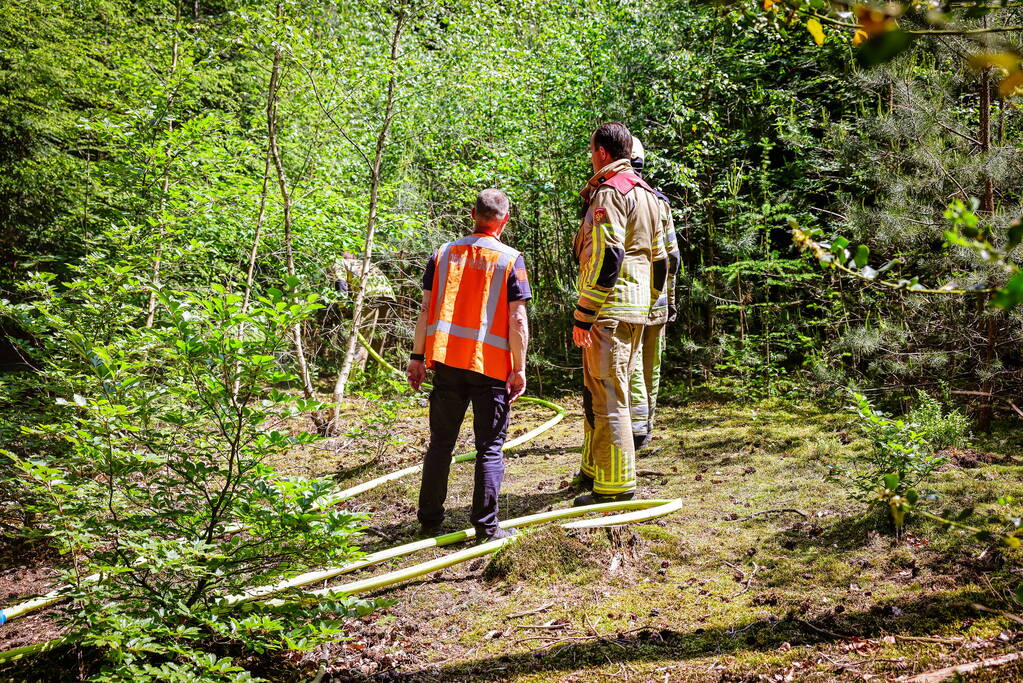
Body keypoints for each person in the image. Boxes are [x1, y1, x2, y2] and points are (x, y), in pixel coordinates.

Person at [406, 189, 530, 542]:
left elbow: (426, 309)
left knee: (441, 444)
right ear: (505, 220)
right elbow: (517, 319)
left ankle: (429, 520)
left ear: (473, 214)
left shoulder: (443, 254)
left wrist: (417, 358)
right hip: (491, 369)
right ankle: (487, 528)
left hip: (447, 363)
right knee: (489, 447)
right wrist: (518, 368)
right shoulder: (511, 259)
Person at [571, 123, 668, 506]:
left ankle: (614, 488)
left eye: (592, 150)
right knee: (610, 390)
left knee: (609, 395)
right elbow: (662, 260)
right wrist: (649, 302)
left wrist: (585, 312)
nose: (591, 157)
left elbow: (607, 255)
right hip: (637, 309)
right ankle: (595, 471)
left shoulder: (610, 192)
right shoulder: (650, 196)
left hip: (608, 310)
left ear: (603, 153)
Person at [627, 137, 680, 453]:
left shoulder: (615, 198)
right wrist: (671, 300)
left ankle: (635, 430)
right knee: (650, 366)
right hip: (656, 298)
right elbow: (673, 257)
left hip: (630, 299)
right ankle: (644, 428)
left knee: (632, 366)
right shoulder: (659, 202)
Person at [330, 253, 397, 370]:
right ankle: (373, 378)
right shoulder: (362, 263)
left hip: (368, 294)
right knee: (377, 337)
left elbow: (340, 284)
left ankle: (355, 378)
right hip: (388, 294)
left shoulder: (339, 262)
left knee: (361, 338)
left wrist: (344, 309)